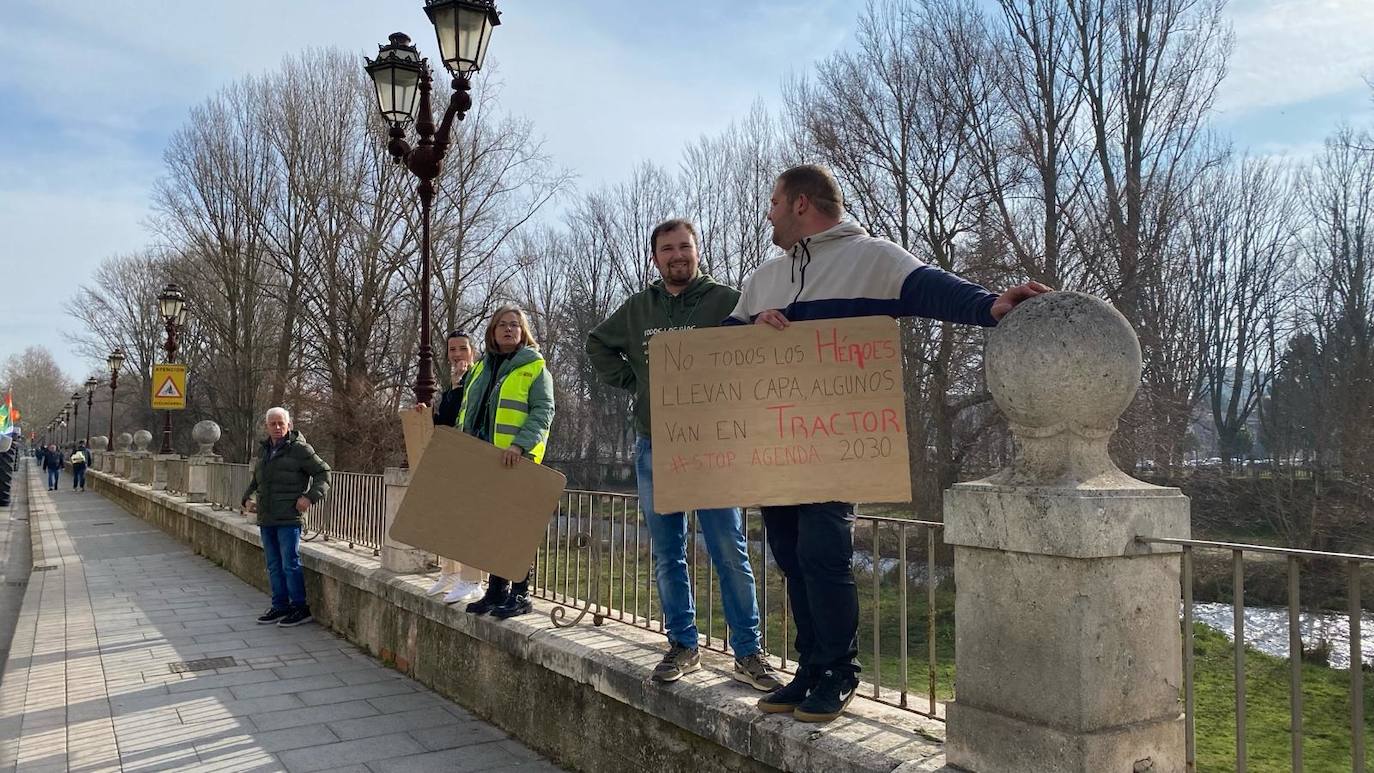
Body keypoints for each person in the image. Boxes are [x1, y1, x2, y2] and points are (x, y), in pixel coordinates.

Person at [735, 164, 1051, 722]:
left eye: (775, 204)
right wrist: (752, 325)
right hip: (777, 443)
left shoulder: (872, 257)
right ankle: (810, 668)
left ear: (802, 205)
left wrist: (990, 306)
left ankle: (837, 671)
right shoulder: (764, 276)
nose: (769, 215)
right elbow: (726, 345)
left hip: (837, 441)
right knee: (787, 552)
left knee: (822, 553)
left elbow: (931, 288)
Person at [586, 218, 782, 692]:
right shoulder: (638, 308)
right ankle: (682, 643)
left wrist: (764, 324)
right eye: (667, 248)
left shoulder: (726, 301)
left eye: (685, 247)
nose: (677, 255)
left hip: (715, 447)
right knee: (668, 551)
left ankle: (749, 652)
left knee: (729, 549)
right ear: (655, 258)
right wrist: (639, 384)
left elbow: (759, 347)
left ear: (698, 252)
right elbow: (597, 345)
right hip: (656, 445)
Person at [457, 305, 555, 620]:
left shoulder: (535, 367)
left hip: (516, 459)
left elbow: (543, 411)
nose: (509, 329)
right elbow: (467, 410)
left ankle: (521, 593)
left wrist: (520, 445)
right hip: (482, 457)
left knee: (514, 529)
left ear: (523, 331)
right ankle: (496, 591)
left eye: (515, 325)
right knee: (490, 528)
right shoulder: (482, 367)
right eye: (503, 325)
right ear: (493, 332)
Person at [241, 407, 331, 628]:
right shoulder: (264, 451)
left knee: (290, 563)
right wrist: (247, 499)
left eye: (282, 423)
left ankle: (300, 608)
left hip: (290, 517)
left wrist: (309, 497)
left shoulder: (300, 449)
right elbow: (257, 481)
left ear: (289, 425)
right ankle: (280, 606)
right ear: (267, 427)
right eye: (273, 424)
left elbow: (324, 473)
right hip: (267, 517)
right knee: (273, 565)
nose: (278, 427)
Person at [415, 330, 487, 605]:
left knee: (468, 521)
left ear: (473, 351)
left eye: (461, 349)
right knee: (449, 520)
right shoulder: (455, 383)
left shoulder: (477, 378)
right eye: (452, 350)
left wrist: (462, 385)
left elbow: (471, 414)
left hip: (473, 456)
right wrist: (428, 413)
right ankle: (450, 573)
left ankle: (471, 580)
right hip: (453, 458)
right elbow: (447, 421)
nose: (456, 355)